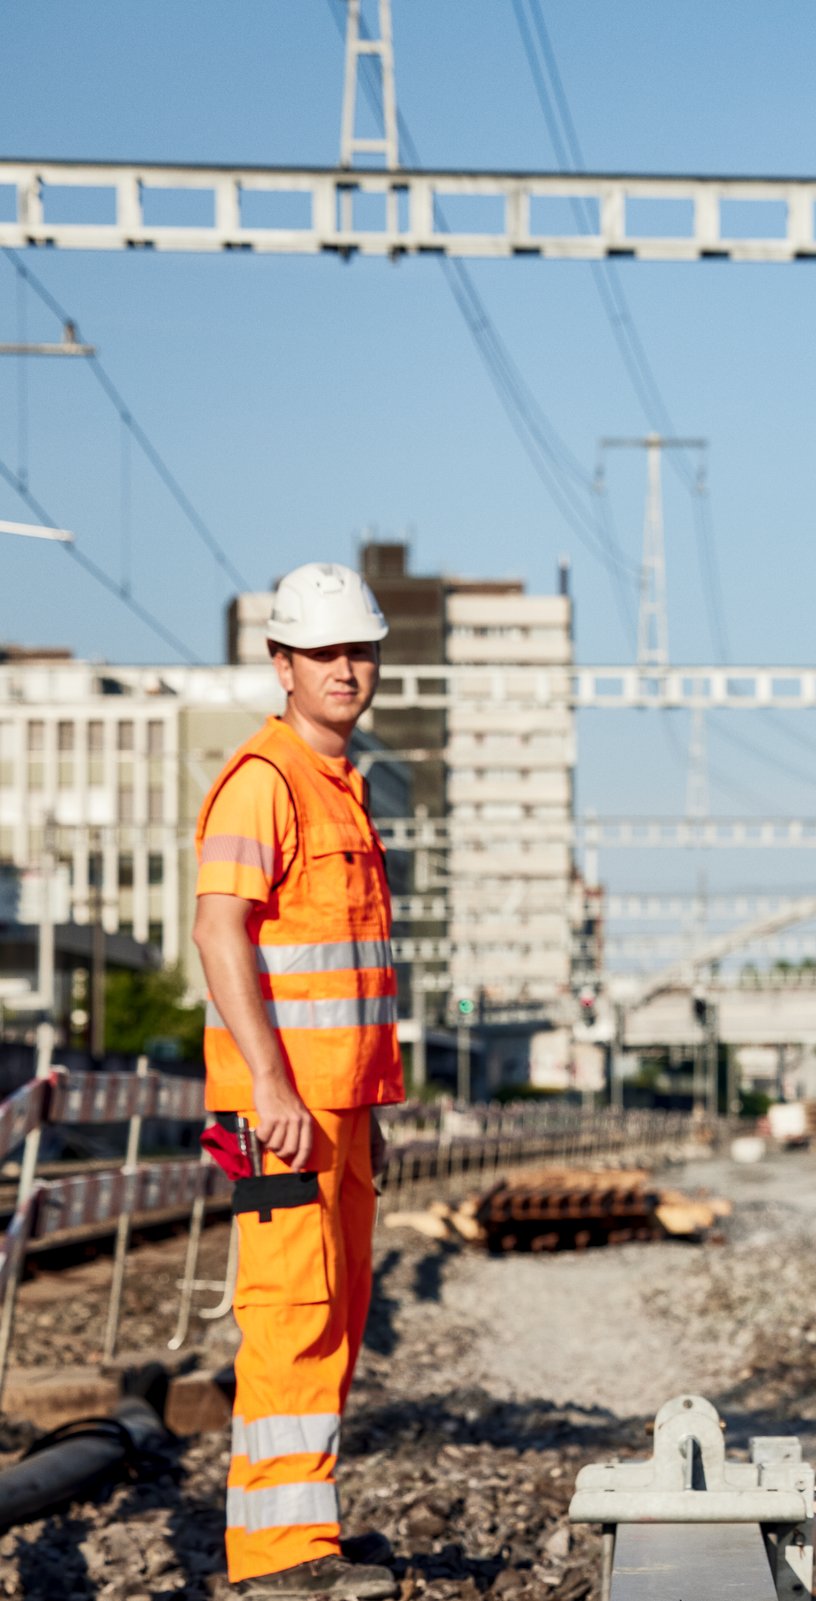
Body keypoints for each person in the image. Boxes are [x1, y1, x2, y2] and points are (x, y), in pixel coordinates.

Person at [190, 563, 403, 1600]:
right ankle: (276, 1557)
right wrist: (272, 1084)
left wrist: (356, 1102)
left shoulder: (340, 788)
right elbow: (216, 927)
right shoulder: (264, 779)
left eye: (358, 650)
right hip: (279, 1108)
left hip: (340, 1107)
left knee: (339, 1313)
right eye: (322, 652)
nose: (344, 669)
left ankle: (303, 1526)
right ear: (282, 664)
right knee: (290, 1311)